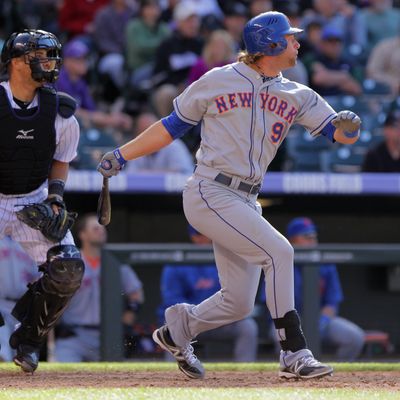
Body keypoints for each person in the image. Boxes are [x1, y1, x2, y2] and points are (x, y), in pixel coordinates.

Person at [97, 11, 362, 380]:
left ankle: (178, 328)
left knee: (237, 303)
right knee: (280, 251)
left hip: (247, 199)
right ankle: (293, 351)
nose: (298, 42)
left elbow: (340, 135)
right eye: (289, 38)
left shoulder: (298, 92)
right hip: (210, 189)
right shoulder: (218, 79)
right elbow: (171, 127)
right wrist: (123, 154)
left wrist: (350, 127)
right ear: (269, 44)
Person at [0, 29, 85, 373]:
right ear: (18, 62)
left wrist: (55, 197)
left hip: (31, 197)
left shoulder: (60, 111)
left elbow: (61, 159)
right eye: (42, 56)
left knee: (67, 268)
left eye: (52, 56)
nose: (50, 64)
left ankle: (29, 340)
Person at [158, 225, 258, 362]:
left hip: (222, 321)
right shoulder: (178, 261)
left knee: (247, 327)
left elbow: (237, 294)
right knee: (172, 328)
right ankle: (171, 374)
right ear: (192, 236)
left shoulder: (227, 256)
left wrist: (220, 314)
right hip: (191, 322)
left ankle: (246, 373)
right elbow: (172, 300)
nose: (201, 238)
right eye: (197, 234)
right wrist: (200, 313)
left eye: (204, 234)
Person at [54, 213, 144, 362]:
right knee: (62, 375)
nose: (101, 231)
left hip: (108, 335)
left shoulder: (115, 261)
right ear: (82, 234)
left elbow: (136, 294)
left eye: (103, 228)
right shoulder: (69, 262)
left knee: (114, 380)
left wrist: (125, 325)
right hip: (74, 335)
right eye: (95, 228)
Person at [285, 217, 365, 361]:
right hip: (288, 321)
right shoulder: (282, 263)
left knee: (354, 336)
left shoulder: (326, 263)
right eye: (306, 237)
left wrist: (323, 320)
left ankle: (336, 375)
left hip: (321, 320)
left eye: (314, 236)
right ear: (292, 240)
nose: (312, 240)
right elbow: (270, 302)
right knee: (281, 339)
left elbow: (332, 302)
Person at [0, 237, 39, 361]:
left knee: (23, 357)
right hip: (1, 303)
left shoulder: (29, 239)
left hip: (24, 306)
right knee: (2, 353)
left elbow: (40, 275)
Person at [126, 111, 194, 174]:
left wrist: (149, 175)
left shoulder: (174, 145)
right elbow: (129, 175)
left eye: (151, 131)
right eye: (143, 132)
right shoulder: (136, 150)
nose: (147, 136)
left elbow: (184, 173)